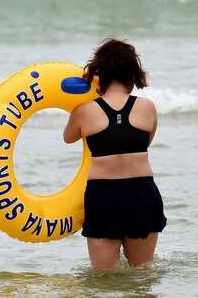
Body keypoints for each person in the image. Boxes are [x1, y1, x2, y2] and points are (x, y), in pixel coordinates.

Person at [63, 38, 166, 271]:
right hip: (142, 193)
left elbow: (68, 137)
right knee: (142, 276)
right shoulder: (147, 108)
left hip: (103, 196)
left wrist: (81, 96)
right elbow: (144, 143)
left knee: (104, 279)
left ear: (99, 73)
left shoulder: (84, 111)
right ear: (133, 72)